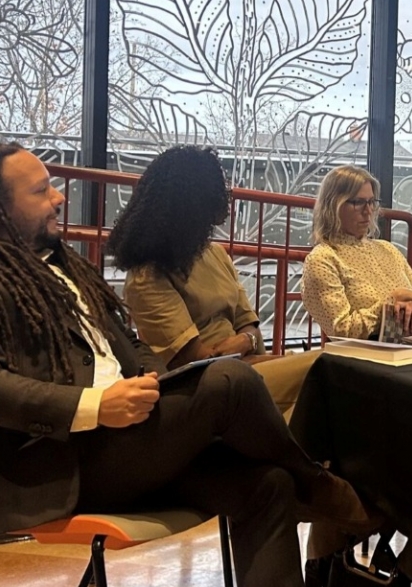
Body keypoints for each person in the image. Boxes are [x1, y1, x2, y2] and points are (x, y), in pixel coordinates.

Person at [0, 142, 373, 586]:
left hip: (129, 447)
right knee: (230, 378)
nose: (59, 196)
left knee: (268, 484)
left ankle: (306, 484)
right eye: (41, 190)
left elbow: (130, 348)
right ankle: (319, 485)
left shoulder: (64, 266)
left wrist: (157, 381)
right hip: (60, 466)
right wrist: (95, 406)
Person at [106, 145, 317, 423]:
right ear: (190, 206)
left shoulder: (215, 254)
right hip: (205, 388)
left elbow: (250, 326)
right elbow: (196, 362)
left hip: (242, 369)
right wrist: (247, 342)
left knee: (329, 367)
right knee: (323, 368)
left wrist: (243, 340)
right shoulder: (147, 277)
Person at [302, 165, 412, 340]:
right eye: (358, 202)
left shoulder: (388, 249)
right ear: (334, 206)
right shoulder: (323, 258)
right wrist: (390, 303)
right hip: (364, 356)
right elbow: (341, 330)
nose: (368, 211)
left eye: (371, 202)